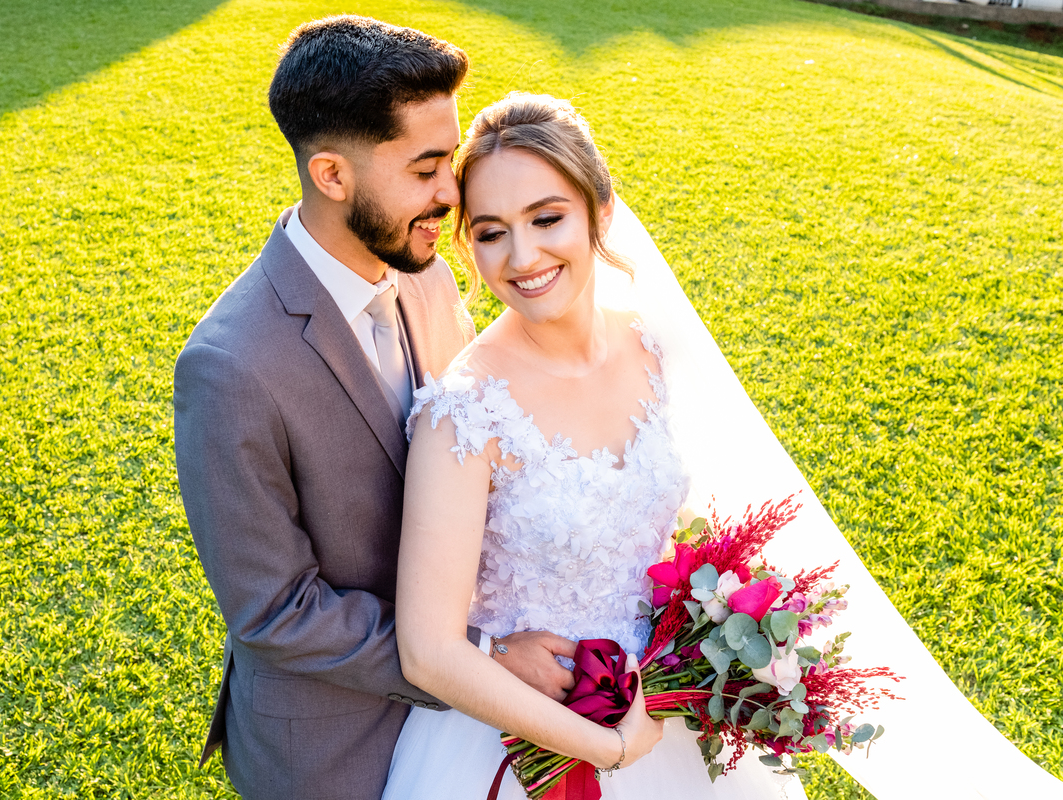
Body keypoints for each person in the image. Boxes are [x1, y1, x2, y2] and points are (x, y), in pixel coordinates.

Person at [384, 92, 1063, 800]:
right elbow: (428, 651)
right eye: (491, 232)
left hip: (670, 706)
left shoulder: (652, 345)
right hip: (514, 734)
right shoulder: (462, 413)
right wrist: (608, 746)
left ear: (600, 212)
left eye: (547, 218)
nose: (522, 258)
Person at [173, 18, 575, 800]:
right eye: (426, 168)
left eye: (449, 161)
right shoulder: (228, 369)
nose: (451, 194)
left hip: (480, 715)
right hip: (336, 744)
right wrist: (479, 657)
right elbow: (276, 614)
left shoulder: (422, 271)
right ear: (331, 174)